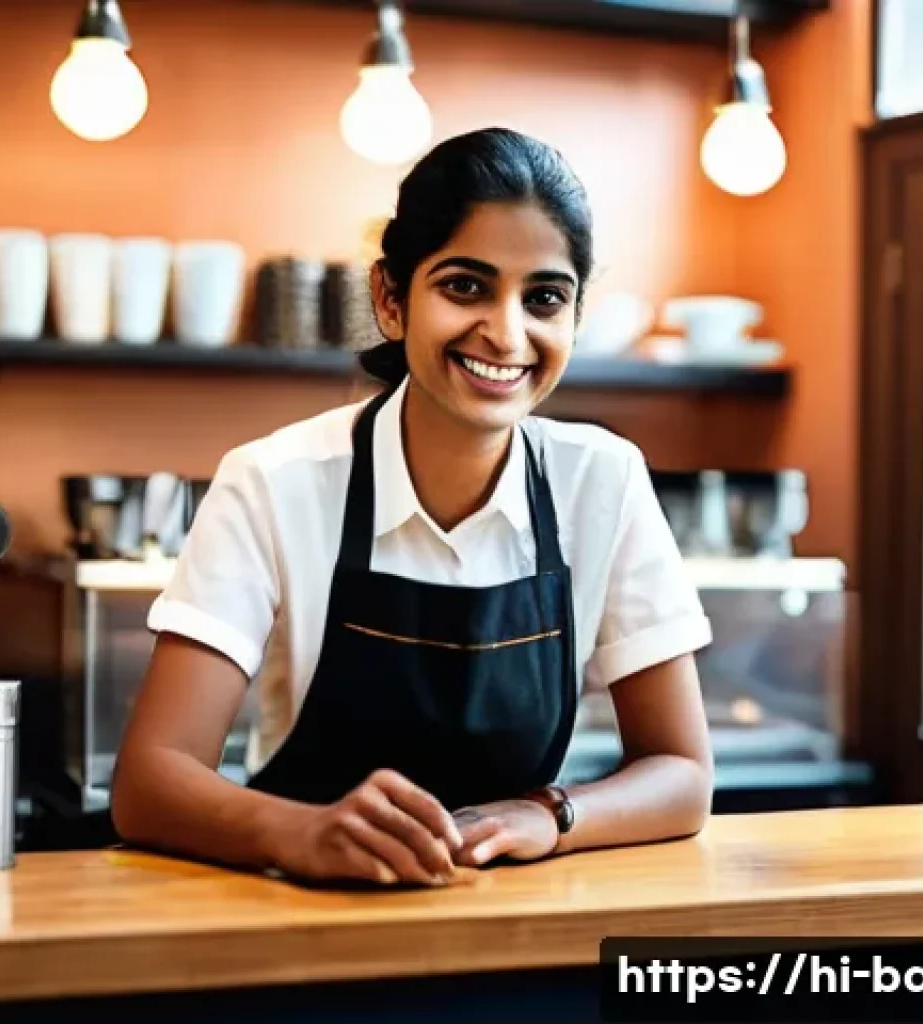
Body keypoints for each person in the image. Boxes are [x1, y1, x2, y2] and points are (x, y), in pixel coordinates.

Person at [111, 127, 714, 887]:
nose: (506, 332)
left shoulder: (604, 480)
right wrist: (304, 832)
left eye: (544, 298)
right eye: (465, 285)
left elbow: (684, 774)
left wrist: (550, 815)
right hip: (301, 918)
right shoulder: (274, 481)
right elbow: (149, 781)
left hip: (511, 923)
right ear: (391, 300)